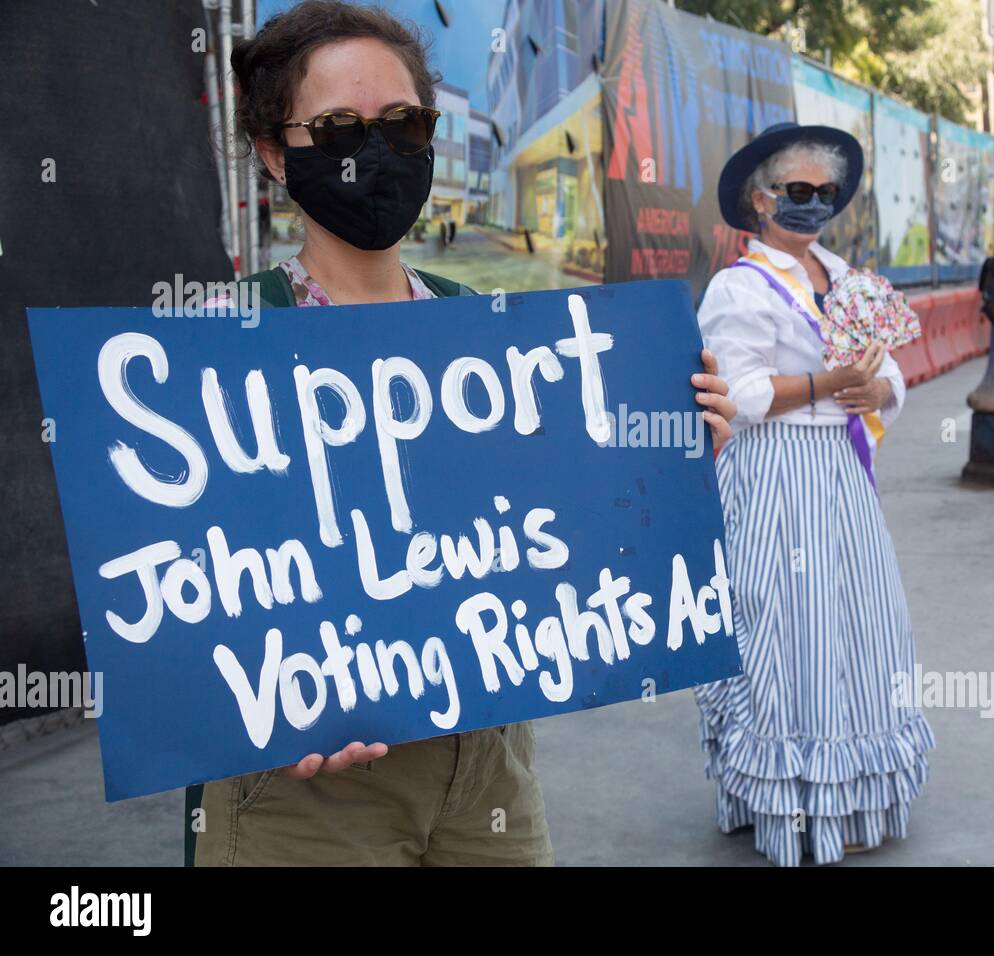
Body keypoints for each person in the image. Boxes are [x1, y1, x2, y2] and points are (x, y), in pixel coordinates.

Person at [191, 0, 737, 866]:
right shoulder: (218, 340)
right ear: (271, 151)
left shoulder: (493, 333)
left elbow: (569, 531)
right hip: (302, 792)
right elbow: (178, 595)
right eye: (336, 127)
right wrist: (262, 708)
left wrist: (675, 460)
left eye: (403, 123)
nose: (374, 151)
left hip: (487, 767)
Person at [692, 122, 933, 867]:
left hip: (840, 473)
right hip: (774, 477)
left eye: (825, 193)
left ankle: (852, 795)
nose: (813, 205)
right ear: (760, 200)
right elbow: (745, 394)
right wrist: (832, 384)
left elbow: (890, 375)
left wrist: (872, 386)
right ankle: (778, 799)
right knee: (786, 632)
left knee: (861, 627)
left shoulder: (848, 278)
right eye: (799, 191)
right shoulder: (739, 286)